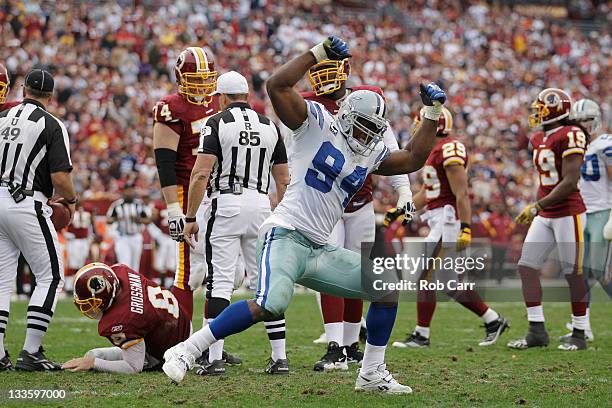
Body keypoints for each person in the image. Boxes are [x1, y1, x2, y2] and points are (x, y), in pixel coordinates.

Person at [163, 36, 446, 393]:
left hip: (320, 247)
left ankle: (372, 373)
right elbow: (276, 85)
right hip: (286, 234)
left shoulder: (368, 151)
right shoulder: (314, 123)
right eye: (361, 125)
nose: (365, 134)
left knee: (386, 287)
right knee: (271, 302)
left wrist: (431, 114)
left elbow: (412, 159)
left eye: (372, 129)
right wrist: (318, 54)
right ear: (344, 115)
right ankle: (187, 350)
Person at [301, 59, 413, 371]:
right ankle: (334, 344)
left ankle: (350, 345)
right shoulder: (309, 106)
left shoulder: (367, 101)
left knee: (358, 273)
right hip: (327, 202)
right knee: (327, 271)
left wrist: (404, 191)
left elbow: (390, 149)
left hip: (361, 202)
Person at [181, 71, 290, 375]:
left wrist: (190, 217)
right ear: (246, 96)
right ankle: (279, 357)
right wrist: (279, 212)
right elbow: (283, 178)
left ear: (223, 98)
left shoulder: (215, 123)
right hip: (261, 205)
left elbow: (201, 173)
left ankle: (213, 358)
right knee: (266, 283)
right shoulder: (270, 126)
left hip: (226, 203)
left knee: (220, 282)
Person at [392, 107, 508, 348]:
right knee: (450, 285)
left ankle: (421, 335)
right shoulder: (432, 150)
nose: (417, 127)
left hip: (448, 221)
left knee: (425, 277)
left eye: (421, 123)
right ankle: (493, 320)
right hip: (439, 219)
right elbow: (427, 193)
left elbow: (462, 193)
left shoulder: (449, 149)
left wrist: (465, 227)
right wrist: (402, 210)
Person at [0, 69, 77, 371]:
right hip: (25, 201)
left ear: (23, 89)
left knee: (1, 282)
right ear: (50, 95)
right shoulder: (51, 124)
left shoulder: (2, 118)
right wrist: (70, 199)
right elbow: (60, 177)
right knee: (52, 275)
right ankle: (31, 351)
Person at [508, 88, 589, 351]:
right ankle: (536, 330)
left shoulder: (571, 134)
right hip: (545, 213)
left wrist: (536, 206)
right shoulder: (539, 137)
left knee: (573, 273)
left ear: (555, 110)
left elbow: (570, 181)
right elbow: (545, 180)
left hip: (569, 212)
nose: (536, 113)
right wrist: (538, 206)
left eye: (540, 108)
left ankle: (579, 332)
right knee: (526, 267)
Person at [152, 46, 220, 320]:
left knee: (221, 269)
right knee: (187, 270)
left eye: (207, 78)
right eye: (196, 79)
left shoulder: (219, 100)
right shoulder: (171, 108)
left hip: (217, 190)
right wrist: (173, 209)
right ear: (180, 77)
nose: (203, 85)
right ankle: (181, 342)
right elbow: (165, 163)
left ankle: (210, 344)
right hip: (186, 190)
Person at [62, 262, 191, 373]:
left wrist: (92, 363)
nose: (88, 308)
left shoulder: (120, 320)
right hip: (179, 319)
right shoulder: (120, 271)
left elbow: (133, 367)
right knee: (94, 354)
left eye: (90, 303)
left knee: (95, 358)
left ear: (103, 299)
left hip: (175, 348)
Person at [559, 98, 612, 342]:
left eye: (587, 120)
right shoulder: (573, 145)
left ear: (596, 120)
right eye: (578, 121)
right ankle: (584, 326)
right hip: (580, 212)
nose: (582, 125)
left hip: (602, 211)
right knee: (580, 272)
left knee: (601, 273)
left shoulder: (604, 143)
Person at [106, 184, 150, 272]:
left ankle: (133, 285)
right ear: (124, 191)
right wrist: (117, 218)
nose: (130, 193)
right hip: (123, 237)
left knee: (135, 264)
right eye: (128, 190)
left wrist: (138, 219)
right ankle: (125, 284)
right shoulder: (117, 205)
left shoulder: (139, 204)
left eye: (131, 190)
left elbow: (147, 220)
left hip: (136, 236)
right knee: (124, 263)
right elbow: (108, 220)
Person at [64, 202, 95, 292]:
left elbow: (91, 227)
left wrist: (91, 236)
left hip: (84, 241)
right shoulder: (71, 212)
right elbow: (66, 227)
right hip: (74, 241)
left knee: (83, 263)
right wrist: (69, 235)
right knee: (73, 263)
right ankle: (69, 286)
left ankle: (82, 285)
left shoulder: (88, 212)